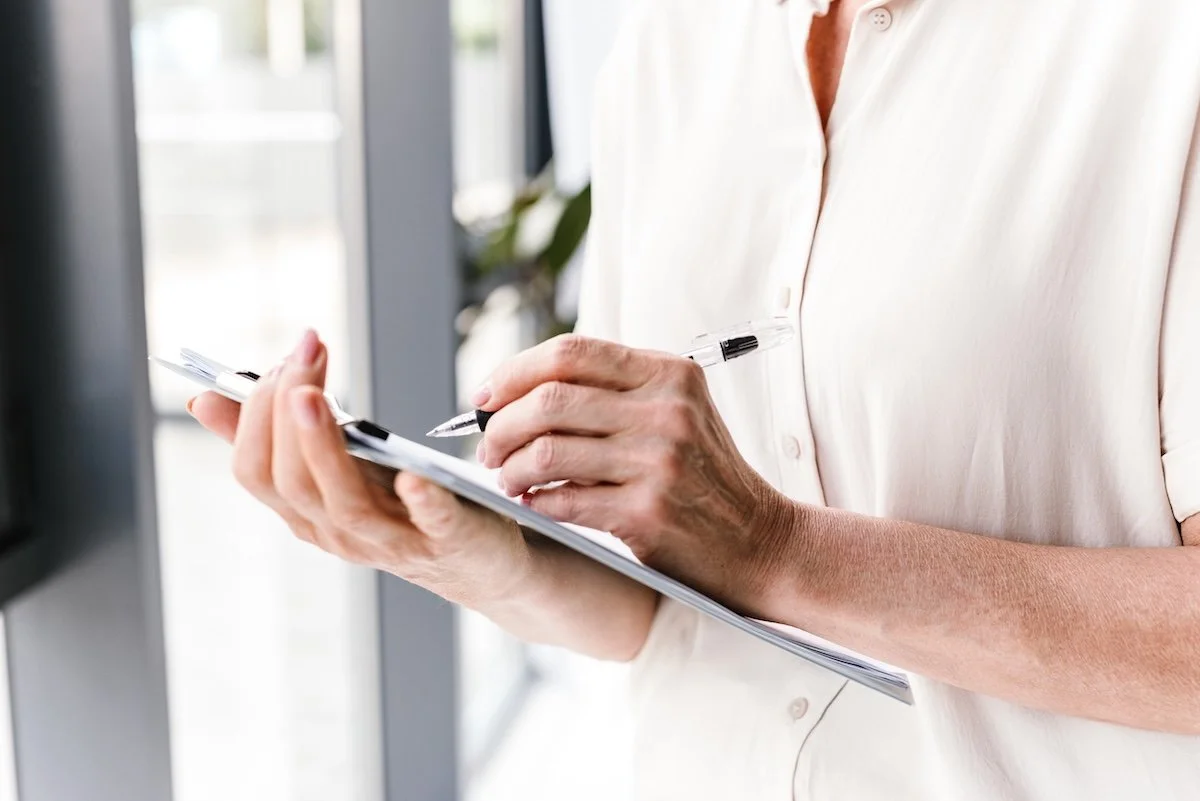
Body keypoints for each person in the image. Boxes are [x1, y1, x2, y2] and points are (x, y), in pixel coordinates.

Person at [190, 0, 1200, 799]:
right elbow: (656, 607)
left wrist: (781, 550)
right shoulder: (668, 44)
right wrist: (470, 557)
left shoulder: (1161, 43)